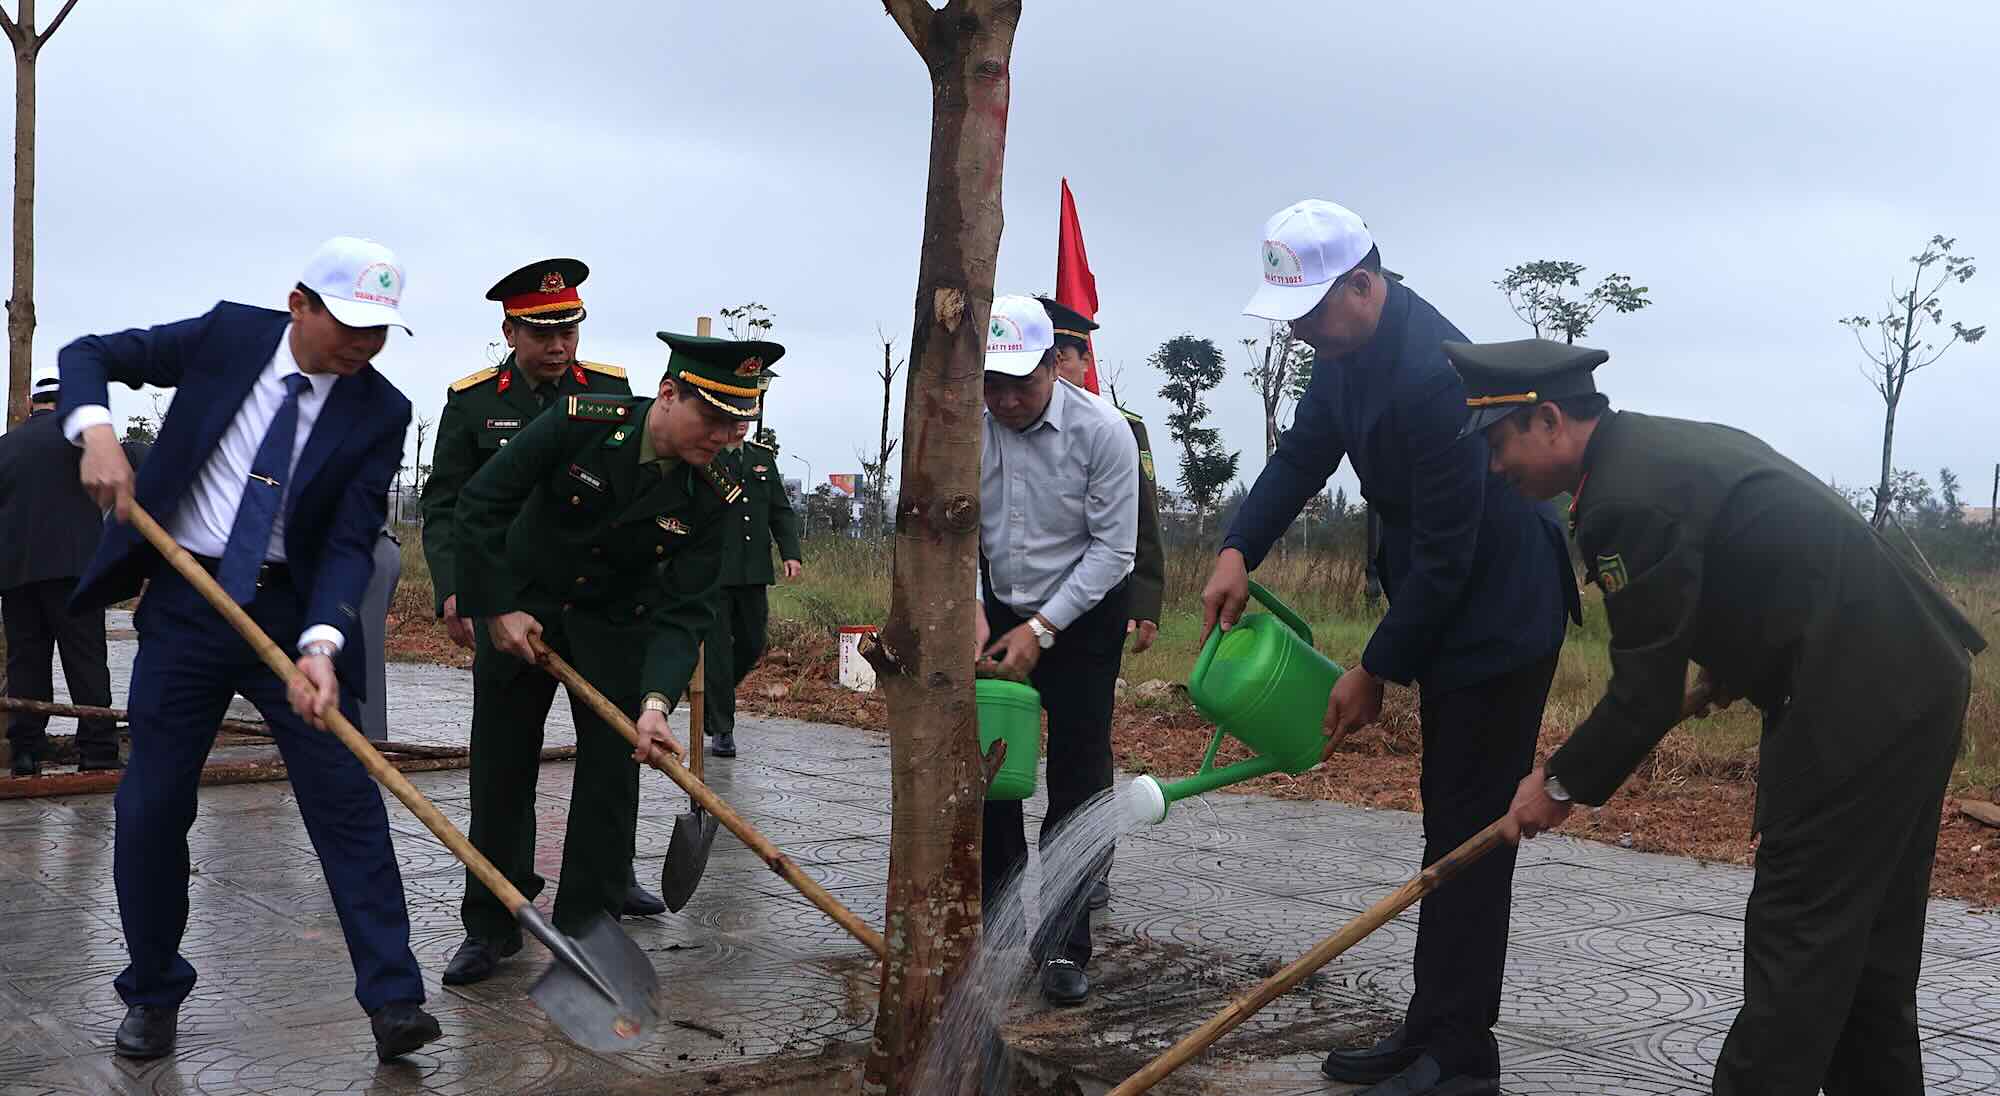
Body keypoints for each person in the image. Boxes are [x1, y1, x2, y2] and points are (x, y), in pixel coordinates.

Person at [1465, 338, 1987, 1096]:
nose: (1494, 466)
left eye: (1498, 444)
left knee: (1799, 940)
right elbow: (1750, 568)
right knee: (1867, 949)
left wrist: (1561, 780)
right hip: (1913, 672)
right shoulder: (1652, 451)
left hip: (1856, 698)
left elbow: (1642, 690)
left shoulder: (1623, 497)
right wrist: (1737, 659)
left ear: (1547, 419)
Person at [1201, 200, 1578, 1096]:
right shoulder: (1346, 355)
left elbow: (1451, 552)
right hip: (1448, 601)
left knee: (1476, 832)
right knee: (1447, 820)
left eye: (1310, 313)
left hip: (1499, 616)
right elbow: (1300, 459)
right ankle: (1429, 1027)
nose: (1298, 333)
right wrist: (1234, 549)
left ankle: (1462, 1058)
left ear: (1364, 286)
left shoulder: (1429, 373)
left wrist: (1374, 670)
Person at [57, 236, 438, 1062]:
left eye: (380, 331)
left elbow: (348, 537)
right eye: (349, 325)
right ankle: (153, 991)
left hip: (292, 612)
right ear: (299, 302)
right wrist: (95, 432)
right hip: (189, 603)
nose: (364, 346)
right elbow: (87, 353)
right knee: (152, 807)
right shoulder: (228, 337)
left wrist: (323, 645)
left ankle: (394, 1000)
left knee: (348, 799)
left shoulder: (382, 411)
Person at [441, 331, 768, 985]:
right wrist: (494, 606)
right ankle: (492, 924)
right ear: (668, 395)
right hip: (523, 608)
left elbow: (685, 610)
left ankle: (586, 928)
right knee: (501, 773)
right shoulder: (581, 422)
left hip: (620, 629)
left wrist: (655, 705)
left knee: (612, 782)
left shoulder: (721, 488)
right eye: (713, 419)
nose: (724, 437)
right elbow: (480, 505)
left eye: (739, 425)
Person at [419, 258, 663, 916]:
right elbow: (447, 507)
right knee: (501, 767)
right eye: (541, 333)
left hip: (595, 605)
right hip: (510, 606)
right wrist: (457, 590)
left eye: (569, 331)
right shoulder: (474, 402)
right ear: (510, 332)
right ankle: (494, 915)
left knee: (612, 756)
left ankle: (606, 883)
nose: (558, 346)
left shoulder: (612, 390)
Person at [975, 294, 1138, 1006]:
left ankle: (1067, 945)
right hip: (991, 607)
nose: (1006, 400)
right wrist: (973, 616)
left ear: (1053, 364)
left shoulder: (1102, 432)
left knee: (1076, 776)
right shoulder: (960, 425)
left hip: (1083, 616)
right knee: (988, 766)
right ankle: (998, 915)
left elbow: (1115, 551)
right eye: (992, 383)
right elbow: (946, 529)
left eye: (1022, 382)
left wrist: (1041, 630)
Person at [1035, 295, 1161, 912]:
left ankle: (1086, 864)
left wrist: (1146, 601)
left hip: (1094, 609)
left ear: (1087, 360)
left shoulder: (1119, 428)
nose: (1060, 368)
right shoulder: (1006, 420)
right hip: (1017, 606)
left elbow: (1142, 528)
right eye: (1048, 357)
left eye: (1069, 355)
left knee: (1083, 747)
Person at [0, 375, 126, 774]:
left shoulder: (5, 447)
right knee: (85, 659)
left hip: (15, 575)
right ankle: (97, 749)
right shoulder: (81, 443)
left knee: (26, 662)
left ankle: (25, 749)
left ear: (33, 407)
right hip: (75, 572)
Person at [703, 417, 802, 758]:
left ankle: (713, 699)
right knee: (716, 651)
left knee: (752, 643)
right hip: (714, 572)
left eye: (749, 416)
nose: (743, 423)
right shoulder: (707, 455)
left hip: (753, 571)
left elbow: (780, 511)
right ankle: (721, 729)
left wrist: (791, 553)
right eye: (736, 415)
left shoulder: (761, 457)